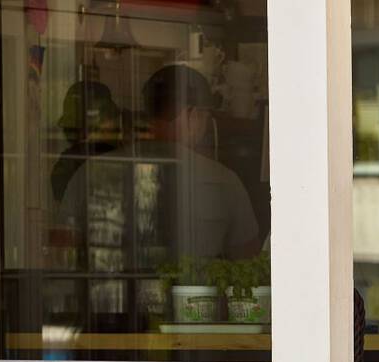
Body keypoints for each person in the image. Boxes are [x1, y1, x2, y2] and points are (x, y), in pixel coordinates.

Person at [59, 63, 261, 264]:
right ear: (193, 116)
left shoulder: (92, 171)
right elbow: (247, 266)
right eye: (206, 117)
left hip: (111, 293)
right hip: (195, 295)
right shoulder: (223, 181)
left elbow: (63, 251)